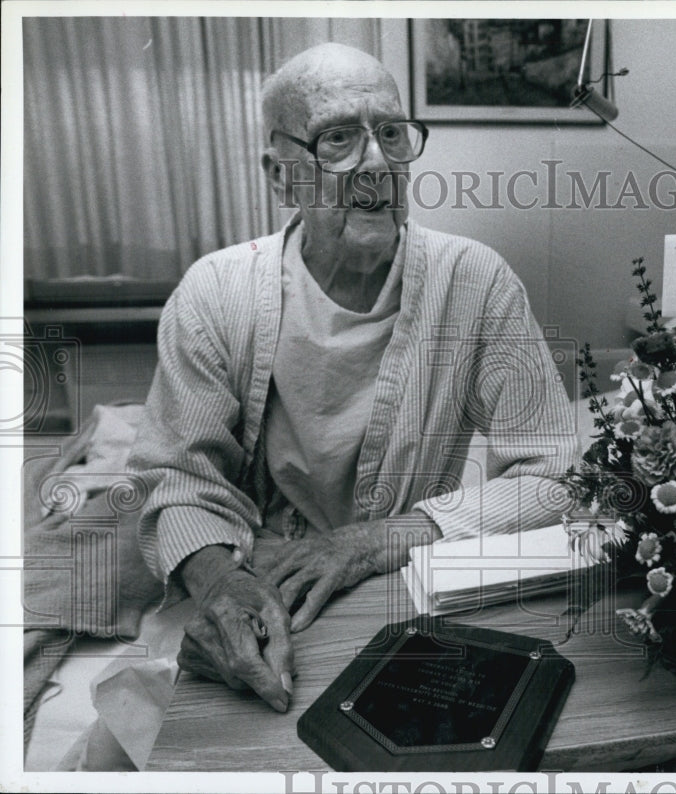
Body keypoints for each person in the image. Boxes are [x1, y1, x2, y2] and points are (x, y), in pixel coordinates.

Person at [127, 43, 577, 713]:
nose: (376, 163)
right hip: (260, 579)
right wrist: (220, 583)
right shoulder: (215, 293)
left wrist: (373, 541)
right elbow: (179, 480)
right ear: (282, 178)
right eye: (338, 138)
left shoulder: (476, 282)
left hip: (403, 573)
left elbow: (555, 475)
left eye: (391, 134)